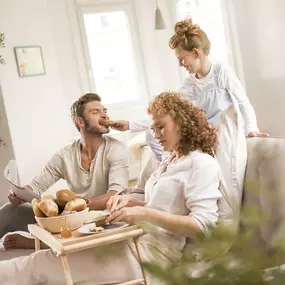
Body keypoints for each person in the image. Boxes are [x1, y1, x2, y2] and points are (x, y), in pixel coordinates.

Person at [0, 92, 221, 285]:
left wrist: (143, 213)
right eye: (153, 128)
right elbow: (165, 206)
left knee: (38, 264)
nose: (155, 135)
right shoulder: (170, 160)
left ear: (181, 122)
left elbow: (203, 227)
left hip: (148, 255)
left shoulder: (201, 164)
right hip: (129, 238)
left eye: (160, 127)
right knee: (46, 257)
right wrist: (133, 202)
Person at [111, 18, 269, 161]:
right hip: (205, 135)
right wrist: (130, 124)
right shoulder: (189, 84)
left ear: (196, 53)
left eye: (182, 58)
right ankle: (170, 164)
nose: (181, 64)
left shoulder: (221, 71)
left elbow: (243, 102)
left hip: (224, 134)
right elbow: (166, 114)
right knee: (151, 135)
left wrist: (251, 129)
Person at [0, 93, 128, 250]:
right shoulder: (64, 155)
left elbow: (114, 195)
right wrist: (20, 195)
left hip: (106, 217)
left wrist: (77, 205)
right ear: (80, 121)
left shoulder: (116, 149)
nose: (104, 115)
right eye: (95, 112)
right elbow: (36, 186)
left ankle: (39, 242)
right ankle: (47, 240)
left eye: (104, 111)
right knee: (10, 210)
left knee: (90, 225)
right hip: (72, 218)